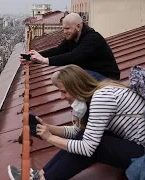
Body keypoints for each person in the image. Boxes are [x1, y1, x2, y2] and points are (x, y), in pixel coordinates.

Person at [8, 65, 145, 180]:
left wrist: (50, 137)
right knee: (82, 135)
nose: (62, 97)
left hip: (141, 153)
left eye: (64, 92)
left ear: (77, 87)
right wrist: (48, 128)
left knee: (92, 147)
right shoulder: (98, 94)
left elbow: (87, 148)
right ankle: (40, 175)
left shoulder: (102, 97)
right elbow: (77, 131)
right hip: (133, 146)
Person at [20, 13, 120, 81]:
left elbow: (75, 56)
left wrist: (46, 60)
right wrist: (35, 58)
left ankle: (82, 110)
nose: (65, 32)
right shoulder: (73, 38)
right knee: (58, 77)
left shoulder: (92, 38)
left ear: (78, 26)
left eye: (67, 28)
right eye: (63, 29)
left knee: (72, 77)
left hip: (108, 79)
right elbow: (59, 50)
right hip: (92, 74)